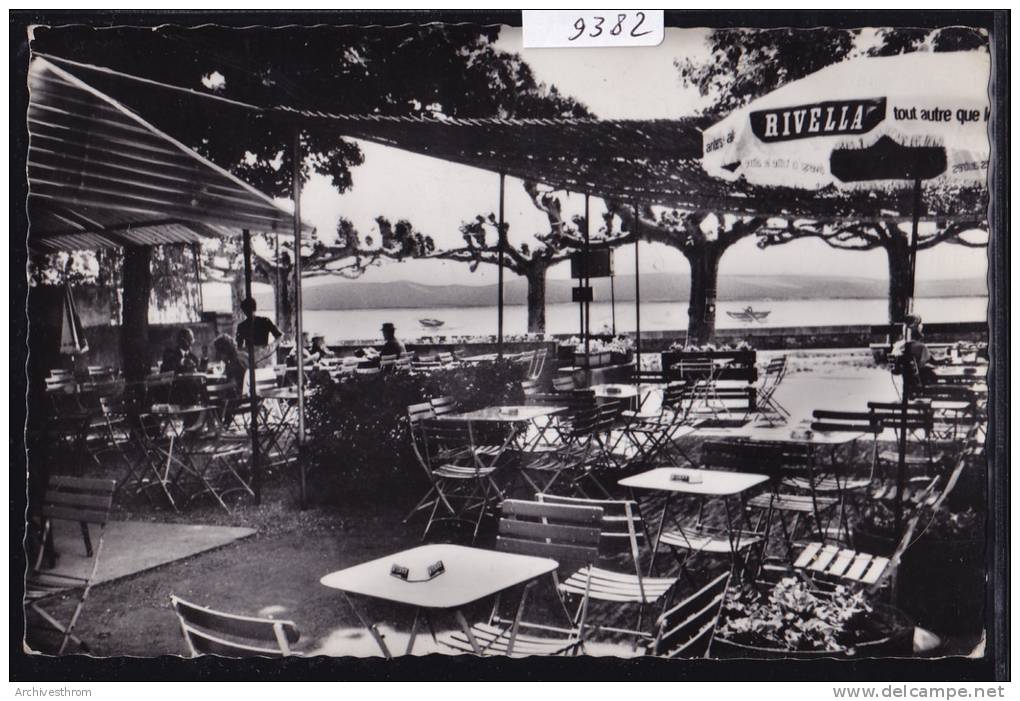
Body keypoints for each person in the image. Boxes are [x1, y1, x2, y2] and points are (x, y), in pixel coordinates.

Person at [235, 297, 283, 368]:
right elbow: (240, 346)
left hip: (262, 357)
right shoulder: (264, 321)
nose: (247, 312)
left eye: (248, 309)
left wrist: (269, 349)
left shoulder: (265, 321)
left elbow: (279, 336)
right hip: (252, 356)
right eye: (246, 310)